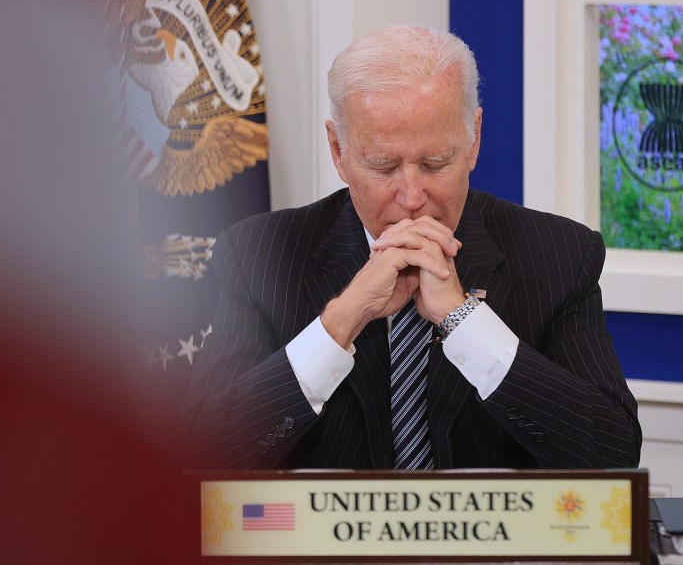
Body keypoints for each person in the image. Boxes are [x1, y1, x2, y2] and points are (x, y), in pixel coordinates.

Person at [181, 25, 640, 470]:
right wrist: (344, 318)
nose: (413, 196)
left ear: (474, 137)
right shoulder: (259, 254)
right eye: (383, 167)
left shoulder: (560, 254)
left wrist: (464, 322)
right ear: (338, 150)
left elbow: (611, 455)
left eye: (436, 162)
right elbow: (199, 456)